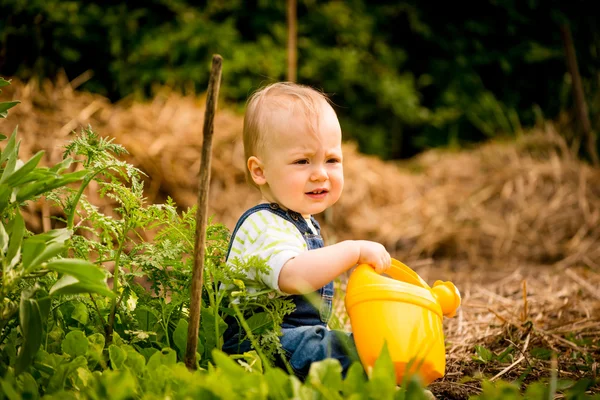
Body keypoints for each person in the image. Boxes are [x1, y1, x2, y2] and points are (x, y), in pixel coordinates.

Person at [221, 81, 392, 380]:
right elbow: (293, 276)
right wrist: (352, 250)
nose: (320, 173)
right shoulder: (263, 224)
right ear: (259, 171)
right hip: (258, 346)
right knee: (340, 351)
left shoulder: (301, 221)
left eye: (332, 160)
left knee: (345, 344)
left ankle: (376, 380)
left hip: (290, 340)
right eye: (302, 161)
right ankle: (377, 384)